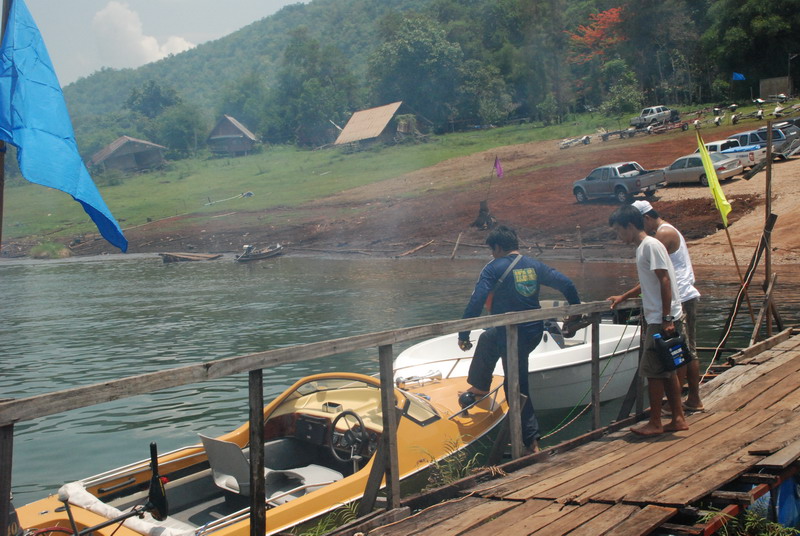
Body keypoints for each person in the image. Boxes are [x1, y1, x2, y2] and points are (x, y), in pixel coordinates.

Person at [457, 225, 581, 453]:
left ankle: (531, 442)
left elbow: (477, 301)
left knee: (515, 384)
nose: (492, 255)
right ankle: (480, 386)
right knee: (488, 338)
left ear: (497, 247)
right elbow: (567, 284)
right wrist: (576, 314)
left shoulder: (493, 268)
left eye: (492, 250)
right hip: (533, 331)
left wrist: (463, 333)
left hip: (512, 334)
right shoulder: (535, 265)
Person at [607, 205, 688, 436]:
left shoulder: (650, 246)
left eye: (619, 231)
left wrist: (666, 319)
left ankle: (655, 422)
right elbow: (650, 281)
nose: (619, 237)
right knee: (668, 370)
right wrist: (625, 296)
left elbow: (664, 281)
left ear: (630, 226)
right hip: (662, 316)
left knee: (652, 372)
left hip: (661, 319)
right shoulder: (645, 248)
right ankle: (678, 418)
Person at [632, 200, 703, 411]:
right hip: (681, 296)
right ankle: (685, 401)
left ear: (645, 218)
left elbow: (659, 276)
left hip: (680, 297)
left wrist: (665, 316)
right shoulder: (665, 232)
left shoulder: (660, 236)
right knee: (685, 350)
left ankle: (685, 401)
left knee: (685, 351)